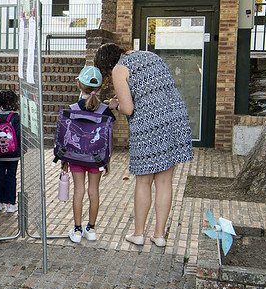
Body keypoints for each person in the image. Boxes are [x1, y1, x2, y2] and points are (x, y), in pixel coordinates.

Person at [94, 43, 193, 248]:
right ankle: (159, 235)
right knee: (165, 182)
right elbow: (152, 90)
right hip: (175, 118)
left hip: (149, 125)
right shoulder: (150, 55)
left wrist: (115, 105)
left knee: (144, 181)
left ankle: (139, 233)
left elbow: (128, 109)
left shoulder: (119, 68)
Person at [59, 67, 115, 243]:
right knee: (94, 192)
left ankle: (76, 230)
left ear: (78, 84)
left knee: (79, 191)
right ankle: (91, 229)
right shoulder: (106, 111)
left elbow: (65, 138)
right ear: (99, 88)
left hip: (75, 156)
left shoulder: (72, 108)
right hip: (96, 158)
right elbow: (108, 139)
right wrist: (107, 161)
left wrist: (64, 160)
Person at [0, 90, 21, 213]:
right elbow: (19, 135)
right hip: (13, 154)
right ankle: (10, 203)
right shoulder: (15, 118)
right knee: (11, 177)